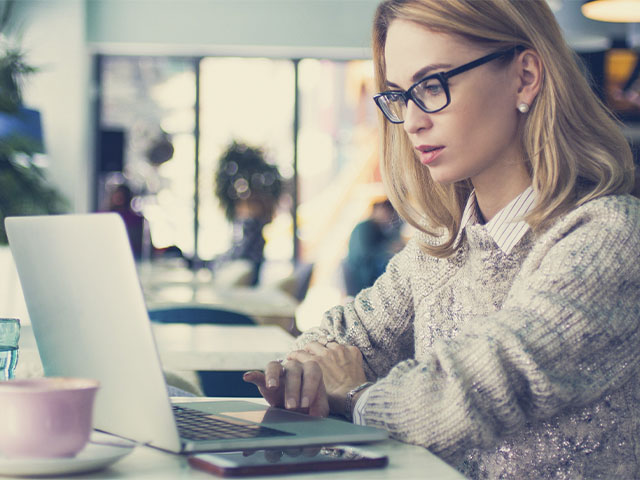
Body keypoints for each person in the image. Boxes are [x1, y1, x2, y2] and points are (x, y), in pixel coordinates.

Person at [243, 0, 640, 478]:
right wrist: (305, 374)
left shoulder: (610, 236)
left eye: (432, 85)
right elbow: (339, 340)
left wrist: (354, 396)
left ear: (526, 76)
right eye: (400, 94)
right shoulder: (443, 247)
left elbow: (474, 390)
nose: (411, 121)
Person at [343, 198, 403, 296]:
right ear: (377, 210)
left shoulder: (377, 227)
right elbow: (364, 254)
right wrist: (388, 250)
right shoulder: (365, 227)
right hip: (362, 273)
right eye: (386, 212)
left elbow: (388, 242)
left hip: (367, 270)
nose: (387, 217)